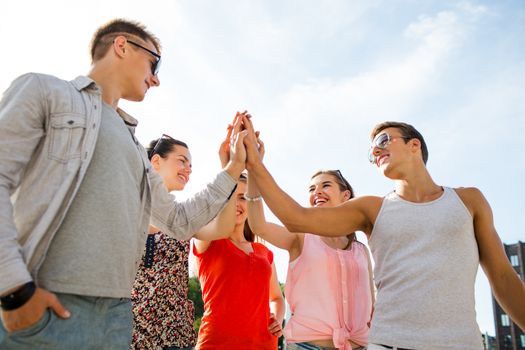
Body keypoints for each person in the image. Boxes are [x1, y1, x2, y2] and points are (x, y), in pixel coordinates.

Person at [0, 19, 247, 349]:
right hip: (42, 309)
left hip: (117, 318)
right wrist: (13, 289)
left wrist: (232, 169)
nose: (156, 79)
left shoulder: (135, 150)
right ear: (122, 45)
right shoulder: (46, 91)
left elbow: (178, 220)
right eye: (153, 62)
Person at [241, 117, 525, 350]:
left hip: (461, 343)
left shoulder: (469, 201)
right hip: (387, 344)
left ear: (414, 145)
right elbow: (296, 218)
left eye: (383, 141)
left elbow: (502, 276)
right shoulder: (372, 209)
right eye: (372, 151)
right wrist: (254, 163)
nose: (375, 152)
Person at [246, 168, 374, 350]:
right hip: (307, 346)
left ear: (345, 195)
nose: (317, 192)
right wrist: (253, 172)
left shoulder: (361, 251)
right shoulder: (300, 238)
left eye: (326, 185)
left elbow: (373, 305)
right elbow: (258, 225)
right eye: (312, 189)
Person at [193, 173, 285, 350]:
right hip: (216, 343)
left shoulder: (265, 252)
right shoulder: (207, 240)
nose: (236, 203)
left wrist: (277, 319)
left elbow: (276, 298)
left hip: (264, 344)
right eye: (230, 196)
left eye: (243, 197)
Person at [131, 136, 196, 350]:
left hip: (175, 339)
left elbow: (218, 229)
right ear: (156, 161)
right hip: (125, 334)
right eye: (182, 161)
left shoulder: (184, 217)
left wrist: (231, 170)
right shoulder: (123, 209)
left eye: (190, 165)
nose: (188, 169)